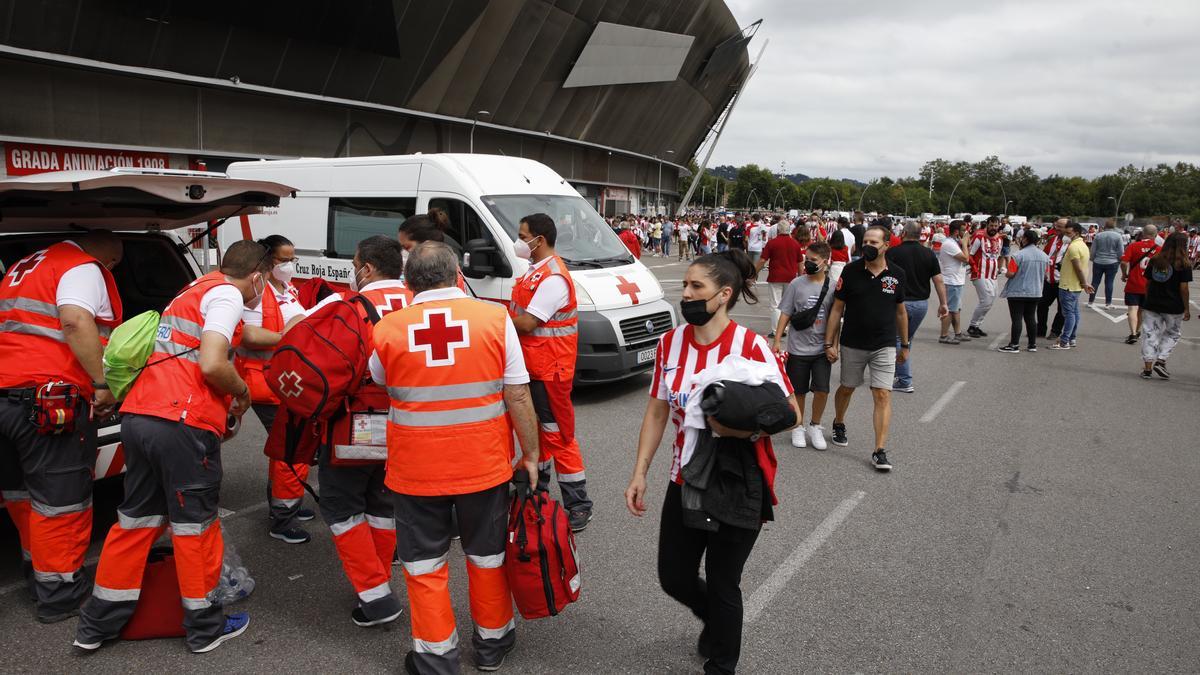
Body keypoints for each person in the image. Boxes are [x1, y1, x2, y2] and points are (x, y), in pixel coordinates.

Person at [75, 240, 272, 653]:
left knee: (135, 521)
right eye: (266, 282)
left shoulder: (198, 288)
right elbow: (214, 362)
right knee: (193, 528)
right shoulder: (229, 295)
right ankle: (204, 628)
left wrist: (290, 333)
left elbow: (239, 333)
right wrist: (241, 393)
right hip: (182, 424)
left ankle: (96, 625)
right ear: (257, 276)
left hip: (140, 417)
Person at [625, 249, 796, 675]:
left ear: (723, 295)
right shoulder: (671, 342)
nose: (685, 294)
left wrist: (741, 430)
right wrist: (640, 472)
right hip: (685, 476)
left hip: (738, 479)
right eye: (684, 285)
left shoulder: (751, 347)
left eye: (695, 287)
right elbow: (657, 410)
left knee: (723, 581)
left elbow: (790, 410)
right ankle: (717, 624)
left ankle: (722, 662)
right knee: (674, 577)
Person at [372, 242, 540, 674]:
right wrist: (532, 454)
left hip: (415, 470)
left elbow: (378, 377)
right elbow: (517, 392)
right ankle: (492, 643)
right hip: (482, 465)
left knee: (423, 564)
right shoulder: (495, 318)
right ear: (456, 276)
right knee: (487, 557)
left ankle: (435, 658)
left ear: (409, 282)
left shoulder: (389, 327)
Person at [0, 232, 123, 623]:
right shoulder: (82, 268)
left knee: (23, 494)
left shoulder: (23, 268)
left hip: (6, 395)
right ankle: (61, 592)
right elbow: (73, 320)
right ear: (108, 253)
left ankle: (38, 574)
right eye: (114, 266)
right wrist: (102, 384)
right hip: (47, 403)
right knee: (62, 500)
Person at [314, 235, 411, 627]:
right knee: (382, 506)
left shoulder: (342, 305)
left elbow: (309, 355)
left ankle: (375, 596)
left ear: (366, 268)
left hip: (354, 427)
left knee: (341, 507)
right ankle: (380, 579)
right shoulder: (419, 302)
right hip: (405, 428)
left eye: (355, 264)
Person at [509, 213, 593, 531]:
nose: (519, 241)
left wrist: (494, 323)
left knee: (559, 437)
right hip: (533, 368)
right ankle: (537, 489)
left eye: (522, 235)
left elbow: (530, 322)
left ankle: (578, 503)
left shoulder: (553, 278)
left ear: (539, 240)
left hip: (550, 370)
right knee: (536, 432)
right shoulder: (535, 271)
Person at [236, 235, 311, 544]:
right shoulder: (257, 292)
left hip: (285, 377)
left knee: (293, 446)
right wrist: (288, 336)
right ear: (267, 261)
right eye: (283, 260)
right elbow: (248, 335)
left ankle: (289, 506)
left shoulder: (286, 288)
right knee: (289, 447)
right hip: (265, 380)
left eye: (292, 258)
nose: (289, 265)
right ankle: (282, 519)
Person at [824, 225, 907, 471]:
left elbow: (901, 312)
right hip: (853, 342)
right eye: (866, 241)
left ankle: (879, 450)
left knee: (882, 394)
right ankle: (839, 421)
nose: (868, 246)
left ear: (886, 246)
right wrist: (830, 343)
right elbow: (837, 309)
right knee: (847, 387)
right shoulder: (850, 271)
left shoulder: (897, 274)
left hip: (884, 344)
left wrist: (905, 344)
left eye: (874, 242)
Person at [773, 241, 836, 450]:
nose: (808, 263)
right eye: (806, 259)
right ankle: (797, 426)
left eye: (813, 260)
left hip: (821, 349)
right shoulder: (796, 284)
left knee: (822, 389)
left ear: (825, 262)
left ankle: (815, 426)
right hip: (797, 348)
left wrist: (833, 345)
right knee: (798, 390)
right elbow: (786, 312)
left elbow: (836, 319)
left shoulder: (833, 286)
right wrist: (777, 340)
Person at [884, 221, 949, 393]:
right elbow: (938, 280)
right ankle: (899, 374)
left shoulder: (893, 253)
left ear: (903, 233)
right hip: (921, 304)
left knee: (899, 339)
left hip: (899, 303)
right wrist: (943, 304)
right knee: (906, 339)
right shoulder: (928, 254)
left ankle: (904, 380)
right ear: (921, 234)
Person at [1139, 232, 1192, 379]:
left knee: (1150, 334)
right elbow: (1184, 288)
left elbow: (1148, 282)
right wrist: (1186, 308)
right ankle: (1161, 360)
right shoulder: (1183, 263)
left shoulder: (1155, 260)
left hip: (1153, 303)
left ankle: (1147, 368)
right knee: (1173, 334)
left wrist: (1147, 297)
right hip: (1174, 305)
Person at [998, 229, 1051, 353]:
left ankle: (1014, 344)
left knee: (1017, 318)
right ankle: (1032, 344)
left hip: (1018, 291)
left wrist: (1005, 271)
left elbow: (1010, 273)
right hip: (1035, 291)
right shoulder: (1044, 256)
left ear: (1025, 239)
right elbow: (1045, 275)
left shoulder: (1018, 255)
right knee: (1031, 317)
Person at [755, 220, 806, 338]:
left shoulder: (772, 243)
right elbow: (800, 262)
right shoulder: (795, 244)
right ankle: (785, 327)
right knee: (787, 304)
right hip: (791, 277)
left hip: (775, 276)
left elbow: (763, 260)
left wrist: (755, 272)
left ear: (778, 230)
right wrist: (801, 276)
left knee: (775, 304)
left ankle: (776, 329)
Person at [1049, 222, 1093, 350]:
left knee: (1069, 314)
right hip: (1074, 285)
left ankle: (1064, 341)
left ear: (1077, 233)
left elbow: (1078, 268)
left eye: (1068, 233)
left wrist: (1084, 283)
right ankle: (1071, 338)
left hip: (1068, 285)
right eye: (1066, 232)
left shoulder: (1073, 247)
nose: (1066, 235)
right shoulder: (1082, 245)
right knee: (1074, 313)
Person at [1120, 225, 1160, 344]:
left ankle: (1132, 333)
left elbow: (1123, 262)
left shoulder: (1133, 246)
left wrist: (1124, 274)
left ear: (1142, 234)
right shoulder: (1159, 249)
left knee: (1132, 308)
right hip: (1150, 285)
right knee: (1141, 310)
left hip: (1134, 282)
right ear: (1156, 235)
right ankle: (1137, 331)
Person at [966, 216, 1003, 338]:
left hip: (992, 274)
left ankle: (977, 325)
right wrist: (974, 267)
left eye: (996, 226)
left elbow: (998, 255)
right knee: (986, 299)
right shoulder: (979, 237)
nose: (993, 228)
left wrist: (998, 269)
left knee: (991, 300)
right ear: (987, 225)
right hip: (980, 273)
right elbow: (970, 254)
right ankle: (972, 326)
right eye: (991, 225)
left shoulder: (999, 239)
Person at [937, 220, 972, 344]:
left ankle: (957, 333)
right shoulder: (949, 244)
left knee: (956, 309)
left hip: (956, 280)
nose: (965, 233)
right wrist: (964, 243)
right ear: (956, 231)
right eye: (963, 230)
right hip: (951, 281)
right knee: (950, 309)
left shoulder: (954, 242)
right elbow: (966, 258)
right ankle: (944, 335)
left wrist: (964, 244)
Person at [1037, 219, 1069, 340]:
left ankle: (1055, 331)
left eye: (1060, 227)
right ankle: (1040, 330)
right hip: (1049, 280)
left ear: (1067, 228)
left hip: (1063, 281)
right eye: (1056, 226)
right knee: (1042, 305)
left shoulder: (1071, 243)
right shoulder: (1053, 239)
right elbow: (1045, 255)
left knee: (1062, 309)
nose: (1057, 229)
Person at [1088, 221, 1124, 308]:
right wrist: (1119, 260)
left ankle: (1091, 301)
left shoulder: (1098, 235)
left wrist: (1092, 258)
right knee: (1109, 282)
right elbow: (1121, 251)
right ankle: (1108, 303)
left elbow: (1093, 250)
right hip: (1112, 261)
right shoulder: (1118, 236)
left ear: (1105, 226)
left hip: (1098, 261)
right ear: (1114, 226)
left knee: (1095, 282)